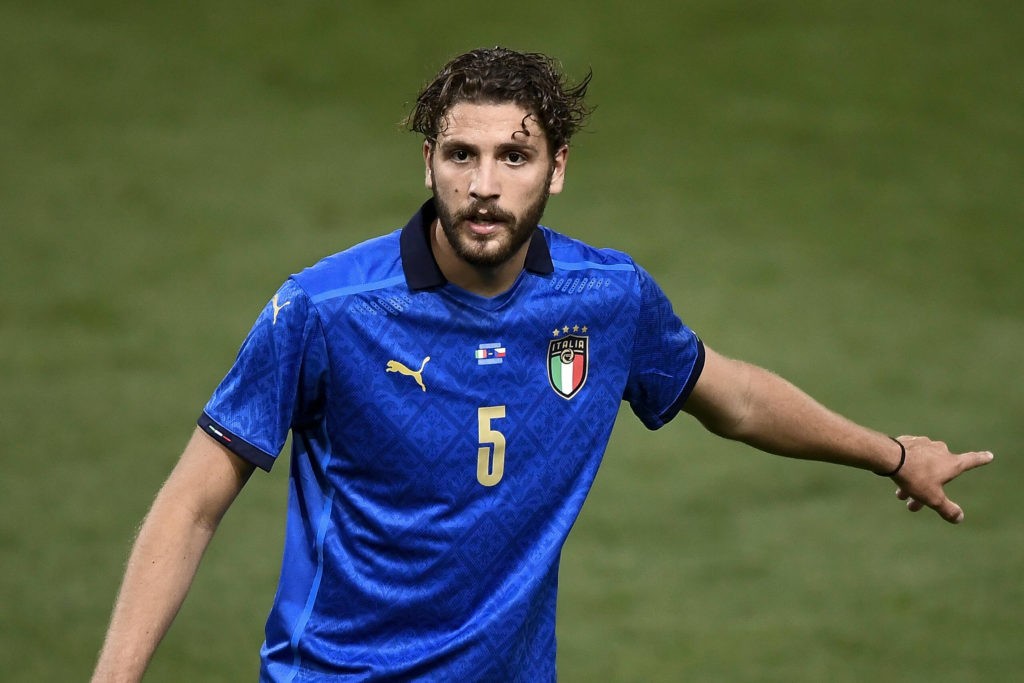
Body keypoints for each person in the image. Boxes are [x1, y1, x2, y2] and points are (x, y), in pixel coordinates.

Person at [92, 47, 993, 682]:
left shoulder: (607, 300)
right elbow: (193, 501)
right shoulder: (326, 311)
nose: (484, 183)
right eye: (462, 154)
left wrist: (892, 452)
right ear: (429, 163)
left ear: (556, 169)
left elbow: (733, 396)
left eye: (513, 156)